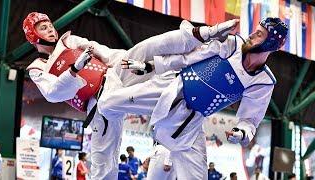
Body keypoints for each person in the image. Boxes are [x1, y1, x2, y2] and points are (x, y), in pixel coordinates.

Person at [23, 12, 236, 180]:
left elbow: (102, 51)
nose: (50, 29)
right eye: (43, 28)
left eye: (50, 25)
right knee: (103, 164)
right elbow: (52, 93)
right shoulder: (37, 67)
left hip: (114, 76)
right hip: (97, 106)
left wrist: (125, 58)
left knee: (147, 47)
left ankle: (204, 34)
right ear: (33, 36)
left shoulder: (70, 41)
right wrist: (74, 70)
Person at [98, 17, 288, 179]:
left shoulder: (263, 82)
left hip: (191, 122)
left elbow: (250, 120)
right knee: (107, 103)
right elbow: (188, 58)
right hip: (171, 88)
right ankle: (107, 76)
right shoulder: (232, 44)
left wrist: (241, 132)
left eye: (260, 34)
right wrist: (151, 66)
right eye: (256, 31)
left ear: (272, 44)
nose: (252, 35)